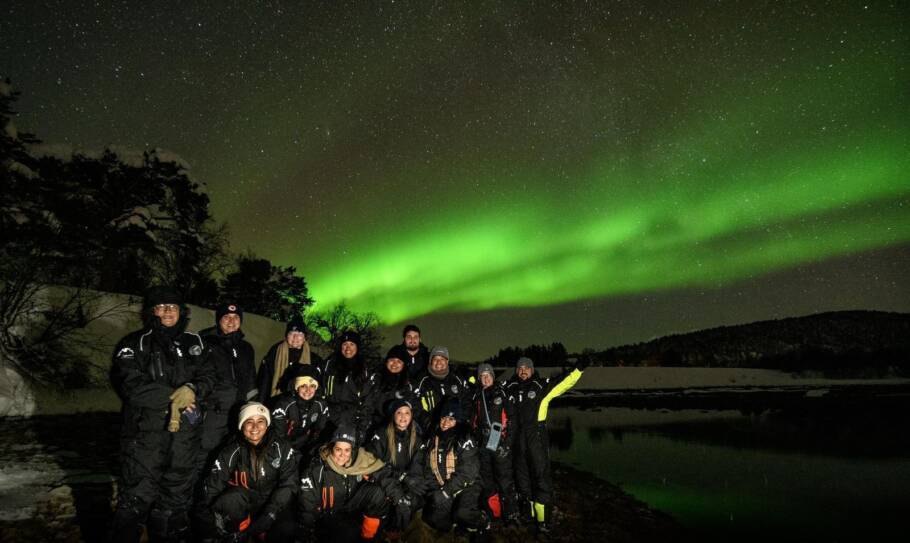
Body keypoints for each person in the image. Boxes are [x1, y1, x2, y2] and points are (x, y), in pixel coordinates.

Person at [109, 285, 215, 542]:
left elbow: (210, 376)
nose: (168, 311)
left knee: (174, 504)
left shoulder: (195, 343)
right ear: (151, 311)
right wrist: (176, 397)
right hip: (145, 437)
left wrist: (193, 389)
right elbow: (130, 385)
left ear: (181, 311)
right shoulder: (134, 343)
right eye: (161, 307)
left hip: (185, 438)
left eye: (173, 307)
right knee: (134, 500)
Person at [504, 356, 588, 533]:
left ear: (532, 370)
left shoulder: (541, 386)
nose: (523, 371)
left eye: (527, 368)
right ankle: (528, 516)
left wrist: (578, 369)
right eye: (520, 368)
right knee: (522, 479)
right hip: (517, 440)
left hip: (536, 438)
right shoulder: (510, 387)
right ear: (516, 371)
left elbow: (563, 383)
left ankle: (542, 521)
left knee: (541, 477)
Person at [201, 402, 299, 543]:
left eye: (260, 421)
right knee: (232, 498)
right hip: (244, 506)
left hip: (272, 503)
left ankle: (263, 534)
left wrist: (270, 513)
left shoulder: (282, 447)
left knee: (287, 528)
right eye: (249, 422)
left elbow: (289, 483)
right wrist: (208, 524)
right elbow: (212, 486)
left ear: (267, 424)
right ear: (241, 425)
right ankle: (235, 534)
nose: (255, 427)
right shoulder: (230, 451)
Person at [298, 425, 388, 542]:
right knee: (349, 533)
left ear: (352, 450)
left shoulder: (356, 462)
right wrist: (306, 532)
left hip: (348, 505)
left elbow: (381, 472)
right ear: (331, 447)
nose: (342, 455)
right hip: (327, 516)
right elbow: (307, 503)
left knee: (378, 493)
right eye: (338, 449)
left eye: (347, 450)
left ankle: (368, 538)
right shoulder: (316, 469)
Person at [419, 398, 488, 537]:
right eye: (443, 418)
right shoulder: (433, 438)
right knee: (433, 519)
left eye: (451, 419)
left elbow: (468, 472)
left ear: (458, 421)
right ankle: (456, 523)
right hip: (444, 484)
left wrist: (445, 492)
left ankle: (483, 521)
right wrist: (434, 492)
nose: (445, 423)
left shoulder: (465, 438)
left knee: (462, 513)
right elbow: (428, 469)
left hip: (468, 486)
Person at [199, 302, 257, 465]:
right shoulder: (205, 343)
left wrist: (251, 407)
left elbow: (251, 380)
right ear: (219, 320)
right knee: (205, 455)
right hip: (212, 413)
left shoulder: (246, 348)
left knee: (231, 456)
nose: (231, 321)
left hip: (238, 413)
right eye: (226, 317)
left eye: (235, 317)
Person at [366, 399, 428, 534]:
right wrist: (400, 484)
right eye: (399, 412)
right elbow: (372, 465)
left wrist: (408, 496)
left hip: (404, 482)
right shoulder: (381, 434)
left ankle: (400, 531)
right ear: (393, 415)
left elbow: (418, 467)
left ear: (411, 416)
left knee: (414, 498)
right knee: (381, 498)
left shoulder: (417, 438)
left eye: (407, 413)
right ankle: (376, 533)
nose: (403, 416)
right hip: (384, 481)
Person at [470, 363, 518, 524]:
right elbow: (474, 421)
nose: (485, 378)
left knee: (505, 479)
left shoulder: (502, 393)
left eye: (488, 375)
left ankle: (511, 514)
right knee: (487, 480)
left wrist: (508, 444)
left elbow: (513, 420)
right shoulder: (477, 396)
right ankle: (494, 513)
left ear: (493, 376)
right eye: (482, 376)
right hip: (484, 443)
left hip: (500, 441)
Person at [318, 330, 378, 444]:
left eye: (352, 344)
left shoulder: (365, 369)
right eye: (345, 344)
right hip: (329, 418)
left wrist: (362, 426)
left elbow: (368, 401)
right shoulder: (329, 364)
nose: (348, 348)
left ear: (357, 347)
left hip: (353, 420)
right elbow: (319, 387)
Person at [269, 366, 330, 464]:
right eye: (303, 386)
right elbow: (279, 437)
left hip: (307, 447)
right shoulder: (283, 405)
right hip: (285, 447)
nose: (308, 390)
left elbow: (320, 431)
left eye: (312, 386)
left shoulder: (321, 405)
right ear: (296, 388)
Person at [413, 346, 470, 433]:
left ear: (447, 361)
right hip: (430, 430)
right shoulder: (421, 380)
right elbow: (415, 406)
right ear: (430, 361)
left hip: (455, 430)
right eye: (435, 359)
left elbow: (467, 401)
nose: (439, 362)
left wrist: (458, 422)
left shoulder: (457, 378)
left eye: (442, 359)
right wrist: (430, 424)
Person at [256, 317, 312, 404]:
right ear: (286, 336)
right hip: (276, 400)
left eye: (300, 334)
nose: (295, 337)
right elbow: (264, 380)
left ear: (304, 338)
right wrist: (260, 402)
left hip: (300, 402)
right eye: (291, 333)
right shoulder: (275, 352)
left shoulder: (313, 358)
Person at [370, 345, 418, 430]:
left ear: (403, 365)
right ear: (386, 362)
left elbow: (415, 408)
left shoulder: (409, 384)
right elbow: (368, 404)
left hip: (400, 426)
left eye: (399, 361)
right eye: (392, 360)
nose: (394, 364)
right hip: (376, 425)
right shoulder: (375, 379)